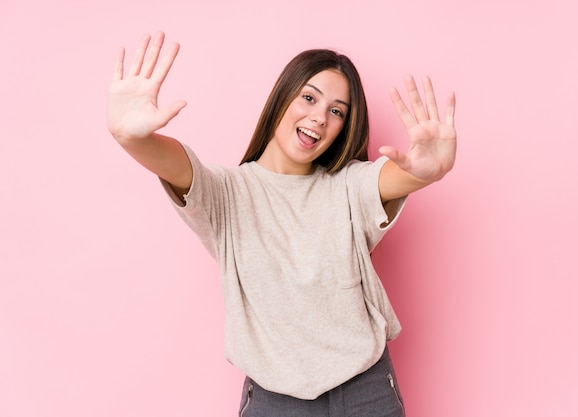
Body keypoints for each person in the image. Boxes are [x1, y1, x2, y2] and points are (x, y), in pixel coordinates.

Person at [106, 31, 456, 417]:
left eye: (337, 111)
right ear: (281, 98)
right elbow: (175, 164)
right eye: (309, 97)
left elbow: (390, 177)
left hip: (365, 393)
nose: (319, 118)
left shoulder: (347, 186)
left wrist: (427, 172)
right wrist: (131, 137)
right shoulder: (226, 193)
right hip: (274, 402)